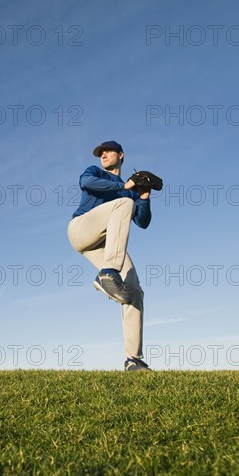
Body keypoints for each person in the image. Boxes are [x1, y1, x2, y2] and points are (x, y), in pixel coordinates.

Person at [67, 140, 152, 371]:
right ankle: (107, 273)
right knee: (123, 203)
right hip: (81, 229)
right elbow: (86, 182)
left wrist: (143, 196)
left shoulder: (131, 191)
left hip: (105, 245)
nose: (103, 155)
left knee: (134, 288)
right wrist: (126, 188)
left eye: (108, 152)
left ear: (121, 155)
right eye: (100, 153)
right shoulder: (96, 172)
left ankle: (133, 360)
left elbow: (142, 222)